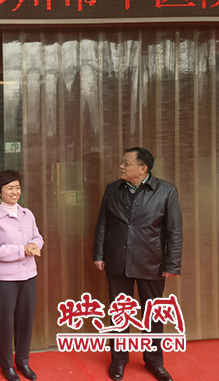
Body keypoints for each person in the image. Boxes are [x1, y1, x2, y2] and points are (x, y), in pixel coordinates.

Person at [93, 147, 182, 381]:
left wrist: (172, 264)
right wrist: (99, 254)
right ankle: (118, 361)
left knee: (153, 314)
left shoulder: (166, 191)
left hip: (151, 263)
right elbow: (103, 224)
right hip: (117, 261)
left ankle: (154, 362)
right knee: (120, 314)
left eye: (126, 163)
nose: (121, 166)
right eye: (122, 162)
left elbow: (174, 231)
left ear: (143, 168)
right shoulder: (113, 189)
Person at [0, 170, 44, 381]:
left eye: (17, 187)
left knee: (25, 320)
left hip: (28, 276)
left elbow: (38, 236)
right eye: (10, 188)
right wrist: (23, 250)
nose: (15, 192)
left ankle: (23, 361)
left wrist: (35, 245)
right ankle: (6, 364)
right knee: (4, 323)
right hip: (4, 280)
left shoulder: (27, 214)